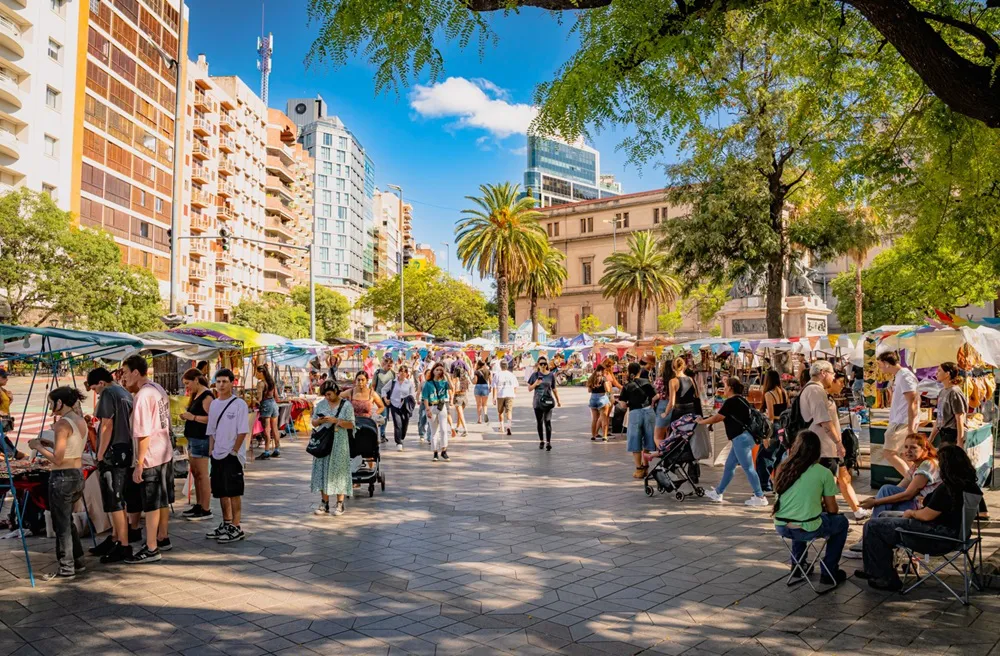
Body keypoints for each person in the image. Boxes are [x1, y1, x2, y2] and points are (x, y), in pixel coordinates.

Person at [855, 445, 982, 591]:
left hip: (938, 537)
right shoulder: (971, 486)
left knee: (873, 526)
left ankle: (884, 577)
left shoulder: (948, 488)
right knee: (884, 517)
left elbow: (926, 516)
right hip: (957, 535)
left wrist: (911, 513)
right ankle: (878, 570)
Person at [771, 430, 850, 587]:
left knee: (799, 516)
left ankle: (798, 565)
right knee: (841, 523)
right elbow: (833, 509)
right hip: (807, 527)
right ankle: (829, 570)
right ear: (817, 450)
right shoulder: (823, 472)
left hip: (781, 526)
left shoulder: (782, 468)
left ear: (795, 447)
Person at [28, 387, 88, 579]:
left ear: (59, 403)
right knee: (66, 521)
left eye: (51, 402)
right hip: (77, 474)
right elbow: (72, 447)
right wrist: (51, 444)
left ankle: (66, 567)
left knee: (61, 524)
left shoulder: (62, 424)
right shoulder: (79, 420)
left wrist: (37, 446)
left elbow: (59, 459)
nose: (50, 406)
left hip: (62, 476)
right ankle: (77, 560)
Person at [848, 433, 939, 557]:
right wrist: (876, 499)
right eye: (906, 447)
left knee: (886, 491)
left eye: (913, 448)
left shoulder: (928, 464)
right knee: (887, 493)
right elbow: (899, 489)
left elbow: (907, 494)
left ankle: (869, 540)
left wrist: (876, 502)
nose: (908, 451)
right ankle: (871, 540)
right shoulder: (916, 466)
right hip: (921, 507)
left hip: (926, 512)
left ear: (925, 449)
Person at [120, 355, 174, 564]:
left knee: (151, 502)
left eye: (125, 373)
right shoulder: (157, 389)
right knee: (161, 499)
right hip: (164, 452)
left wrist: (139, 463)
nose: (123, 378)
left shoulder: (143, 396)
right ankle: (163, 536)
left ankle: (151, 547)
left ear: (136, 372)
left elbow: (143, 433)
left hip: (151, 455)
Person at [798, 361, 868, 519]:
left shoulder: (815, 390)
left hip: (823, 445)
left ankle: (827, 515)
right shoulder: (815, 390)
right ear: (823, 373)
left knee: (833, 481)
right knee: (826, 485)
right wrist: (838, 442)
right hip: (822, 446)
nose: (833, 377)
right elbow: (823, 420)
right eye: (832, 374)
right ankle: (825, 518)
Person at [85, 367, 137, 563]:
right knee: (119, 498)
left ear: (101, 383)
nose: (95, 393)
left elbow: (107, 426)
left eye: (94, 389)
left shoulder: (108, 393)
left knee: (114, 501)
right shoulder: (124, 392)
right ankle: (116, 538)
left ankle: (123, 544)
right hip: (125, 448)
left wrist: (99, 453)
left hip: (113, 451)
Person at [698, 377, 769, 507]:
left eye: (724, 386)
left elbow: (718, 418)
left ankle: (760, 496)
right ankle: (718, 492)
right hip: (746, 437)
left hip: (740, 439)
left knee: (748, 468)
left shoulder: (730, 402)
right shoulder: (742, 400)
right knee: (729, 466)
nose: (723, 389)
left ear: (730, 388)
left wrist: (702, 422)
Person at [205, 369, 249, 543]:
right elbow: (211, 431)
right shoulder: (214, 404)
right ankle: (226, 522)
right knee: (221, 491)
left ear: (232, 383)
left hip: (232, 454)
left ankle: (236, 526)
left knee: (234, 492)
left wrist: (234, 451)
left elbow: (242, 431)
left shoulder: (239, 404)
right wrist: (211, 450)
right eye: (218, 381)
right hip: (217, 454)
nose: (221, 385)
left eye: (224, 381)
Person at [311, 380, 355, 516]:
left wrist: (337, 421)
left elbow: (352, 425)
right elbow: (313, 422)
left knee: (339, 471)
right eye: (325, 395)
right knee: (322, 469)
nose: (327, 397)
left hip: (339, 442)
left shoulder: (346, 405)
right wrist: (320, 421)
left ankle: (340, 503)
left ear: (336, 392)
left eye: (329, 394)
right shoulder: (321, 405)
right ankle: (324, 502)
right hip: (323, 441)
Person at [179, 368, 214, 521]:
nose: (187, 387)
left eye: (188, 383)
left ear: (196, 380)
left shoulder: (207, 396)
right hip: (193, 438)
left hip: (201, 438)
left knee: (202, 474)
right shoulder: (196, 395)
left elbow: (211, 419)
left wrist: (192, 417)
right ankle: (199, 504)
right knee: (196, 474)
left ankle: (205, 508)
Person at [877, 351, 919, 477]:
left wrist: (911, 428)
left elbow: (913, 401)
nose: (879, 368)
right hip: (901, 421)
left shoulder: (905, 376)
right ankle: (915, 480)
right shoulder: (901, 375)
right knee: (904, 454)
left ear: (886, 363)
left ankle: (912, 481)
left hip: (902, 422)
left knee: (889, 452)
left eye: (880, 364)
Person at [755, 370, 789, 492]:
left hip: (774, 426)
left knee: (765, 457)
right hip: (783, 426)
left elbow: (770, 415)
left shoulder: (769, 394)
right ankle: (778, 483)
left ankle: (765, 484)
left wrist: (766, 435)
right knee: (780, 456)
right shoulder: (784, 392)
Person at [620, 362, 656, 476]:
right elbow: (656, 396)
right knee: (648, 439)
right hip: (648, 412)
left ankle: (639, 469)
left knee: (635, 440)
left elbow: (623, 405)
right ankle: (646, 466)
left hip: (635, 413)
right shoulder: (646, 382)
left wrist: (630, 403)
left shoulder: (626, 386)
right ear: (639, 371)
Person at [931, 362, 968, 446]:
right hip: (943, 434)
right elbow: (939, 418)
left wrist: (959, 441)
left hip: (952, 435)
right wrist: (931, 438)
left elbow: (959, 418)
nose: (936, 373)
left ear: (947, 374)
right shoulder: (942, 392)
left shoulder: (955, 392)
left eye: (939, 371)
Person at [528, 357, 561, 451]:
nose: (543, 365)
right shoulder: (534, 375)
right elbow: (529, 389)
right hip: (537, 402)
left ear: (547, 365)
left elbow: (554, 389)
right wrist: (536, 383)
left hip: (548, 402)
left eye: (544, 364)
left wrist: (558, 400)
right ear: (538, 365)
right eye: (541, 364)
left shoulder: (551, 375)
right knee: (539, 422)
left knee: (547, 421)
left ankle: (548, 442)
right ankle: (541, 440)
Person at [423, 362, 452, 461]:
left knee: (444, 430)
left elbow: (452, 387)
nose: (439, 371)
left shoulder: (444, 382)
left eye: (441, 370)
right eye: (437, 370)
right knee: (434, 431)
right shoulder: (428, 383)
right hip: (432, 407)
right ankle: (435, 452)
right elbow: (425, 397)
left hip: (442, 406)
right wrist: (427, 409)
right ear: (433, 371)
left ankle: (444, 450)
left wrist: (447, 376)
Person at [385, 365, 417, 451]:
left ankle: (401, 437)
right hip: (394, 405)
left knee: (405, 423)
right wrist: (385, 399)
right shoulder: (392, 382)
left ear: (407, 374)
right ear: (398, 372)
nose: (402, 373)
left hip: (405, 406)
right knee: (397, 423)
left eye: (404, 371)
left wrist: (409, 400)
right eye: (401, 371)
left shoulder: (409, 383)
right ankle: (398, 442)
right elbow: (383, 390)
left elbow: (412, 394)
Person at [254, 365, 281, 460]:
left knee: (266, 429)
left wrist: (254, 400)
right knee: (275, 428)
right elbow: (276, 396)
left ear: (262, 373)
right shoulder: (271, 382)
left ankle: (266, 451)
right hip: (273, 404)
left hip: (266, 405)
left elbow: (259, 399)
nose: (256, 374)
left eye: (257, 372)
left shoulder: (261, 384)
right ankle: (277, 449)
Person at [372, 357, 396, 443]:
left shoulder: (393, 373)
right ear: (384, 364)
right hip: (379, 397)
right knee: (383, 414)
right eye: (388, 366)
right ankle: (381, 434)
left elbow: (395, 385)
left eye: (390, 366)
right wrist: (372, 397)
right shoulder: (378, 373)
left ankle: (382, 433)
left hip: (389, 397)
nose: (389, 367)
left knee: (386, 417)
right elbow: (373, 385)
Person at [494, 360, 519, 436]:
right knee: (509, 411)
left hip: (500, 395)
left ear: (500, 366)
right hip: (510, 394)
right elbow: (515, 386)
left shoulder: (497, 375)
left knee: (500, 411)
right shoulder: (511, 375)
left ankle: (501, 427)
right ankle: (508, 426)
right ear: (507, 366)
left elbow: (494, 387)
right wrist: (514, 394)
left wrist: (494, 398)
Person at [587, 367, 612, 442]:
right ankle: (604, 436)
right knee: (604, 419)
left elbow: (589, 390)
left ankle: (593, 435)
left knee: (594, 419)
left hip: (593, 398)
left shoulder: (591, 378)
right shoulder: (603, 378)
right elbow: (607, 390)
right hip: (602, 398)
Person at [451, 361, 471, 437]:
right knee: (460, 413)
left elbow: (454, 389)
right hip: (464, 397)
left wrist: (451, 398)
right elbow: (467, 388)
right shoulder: (465, 379)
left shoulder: (455, 379)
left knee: (461, 414)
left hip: (458, 397)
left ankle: (465, 429)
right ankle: (457, 427)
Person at [417, 369, 432, 443]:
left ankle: (429, 437)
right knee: (422, 419)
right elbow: (418, 392)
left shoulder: (433, 383)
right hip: (423, 403)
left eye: (430, 374)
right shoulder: (422, 383)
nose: (428, 375)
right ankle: (422, 434)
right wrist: (417, 400)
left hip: (431, 403)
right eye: (427, 374)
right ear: (425, 375)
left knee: (431, 421)